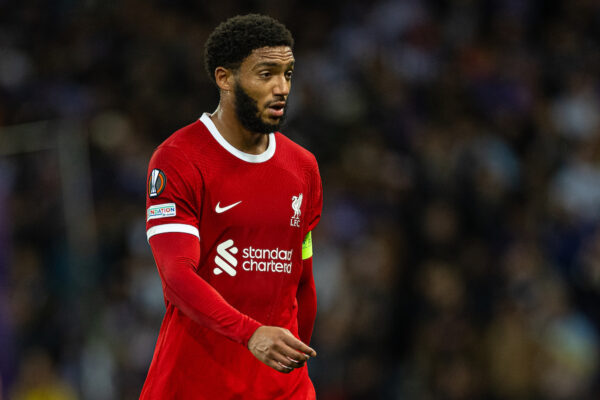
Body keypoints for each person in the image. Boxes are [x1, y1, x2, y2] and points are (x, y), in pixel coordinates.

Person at [140, 14, 323, 399]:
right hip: (195, 384)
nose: (282, 87)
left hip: (280, 390)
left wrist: (294, 370)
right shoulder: (179, 158)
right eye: (266, 73)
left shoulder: (302, 167)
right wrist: (250, 333)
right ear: (225, 78)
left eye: (288, 73)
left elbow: (301, 279)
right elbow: (177, 277)